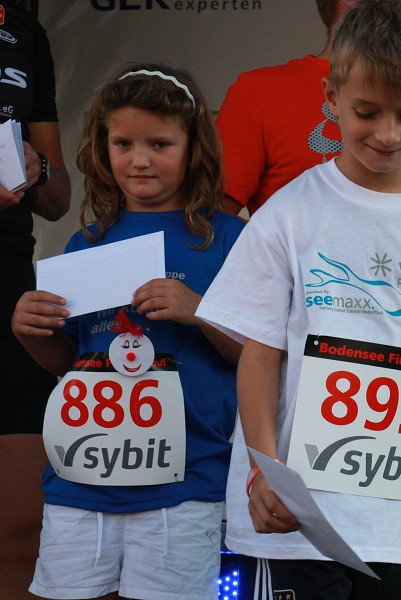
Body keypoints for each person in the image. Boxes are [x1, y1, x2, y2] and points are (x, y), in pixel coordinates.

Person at [195, 2, 401, 597]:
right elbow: (260, 354)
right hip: (295, 521)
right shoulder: (288, 215)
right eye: (366, 112)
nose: (387, 134)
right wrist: (264, 475)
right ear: (331, 97)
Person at [10, 64, 244, 600]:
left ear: (194, 147)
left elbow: (258, 355)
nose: (139, 160)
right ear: (101, 146)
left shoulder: (230, 239)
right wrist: (30, 331)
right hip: (80, 479)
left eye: (160, 143)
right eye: (123, 143)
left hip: (185, 484)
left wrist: (199, 311)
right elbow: (68, 361)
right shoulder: (85, 242)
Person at [215, 0, 401, 233]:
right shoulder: (260, 91)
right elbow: (211, 220)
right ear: (332, 97)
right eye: (366, 113)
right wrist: (282, 254)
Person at [0, 4, 72, 599]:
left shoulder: (24, 30)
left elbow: (57, 198)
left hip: (8, 284)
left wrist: (37, 165)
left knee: (22, 529)